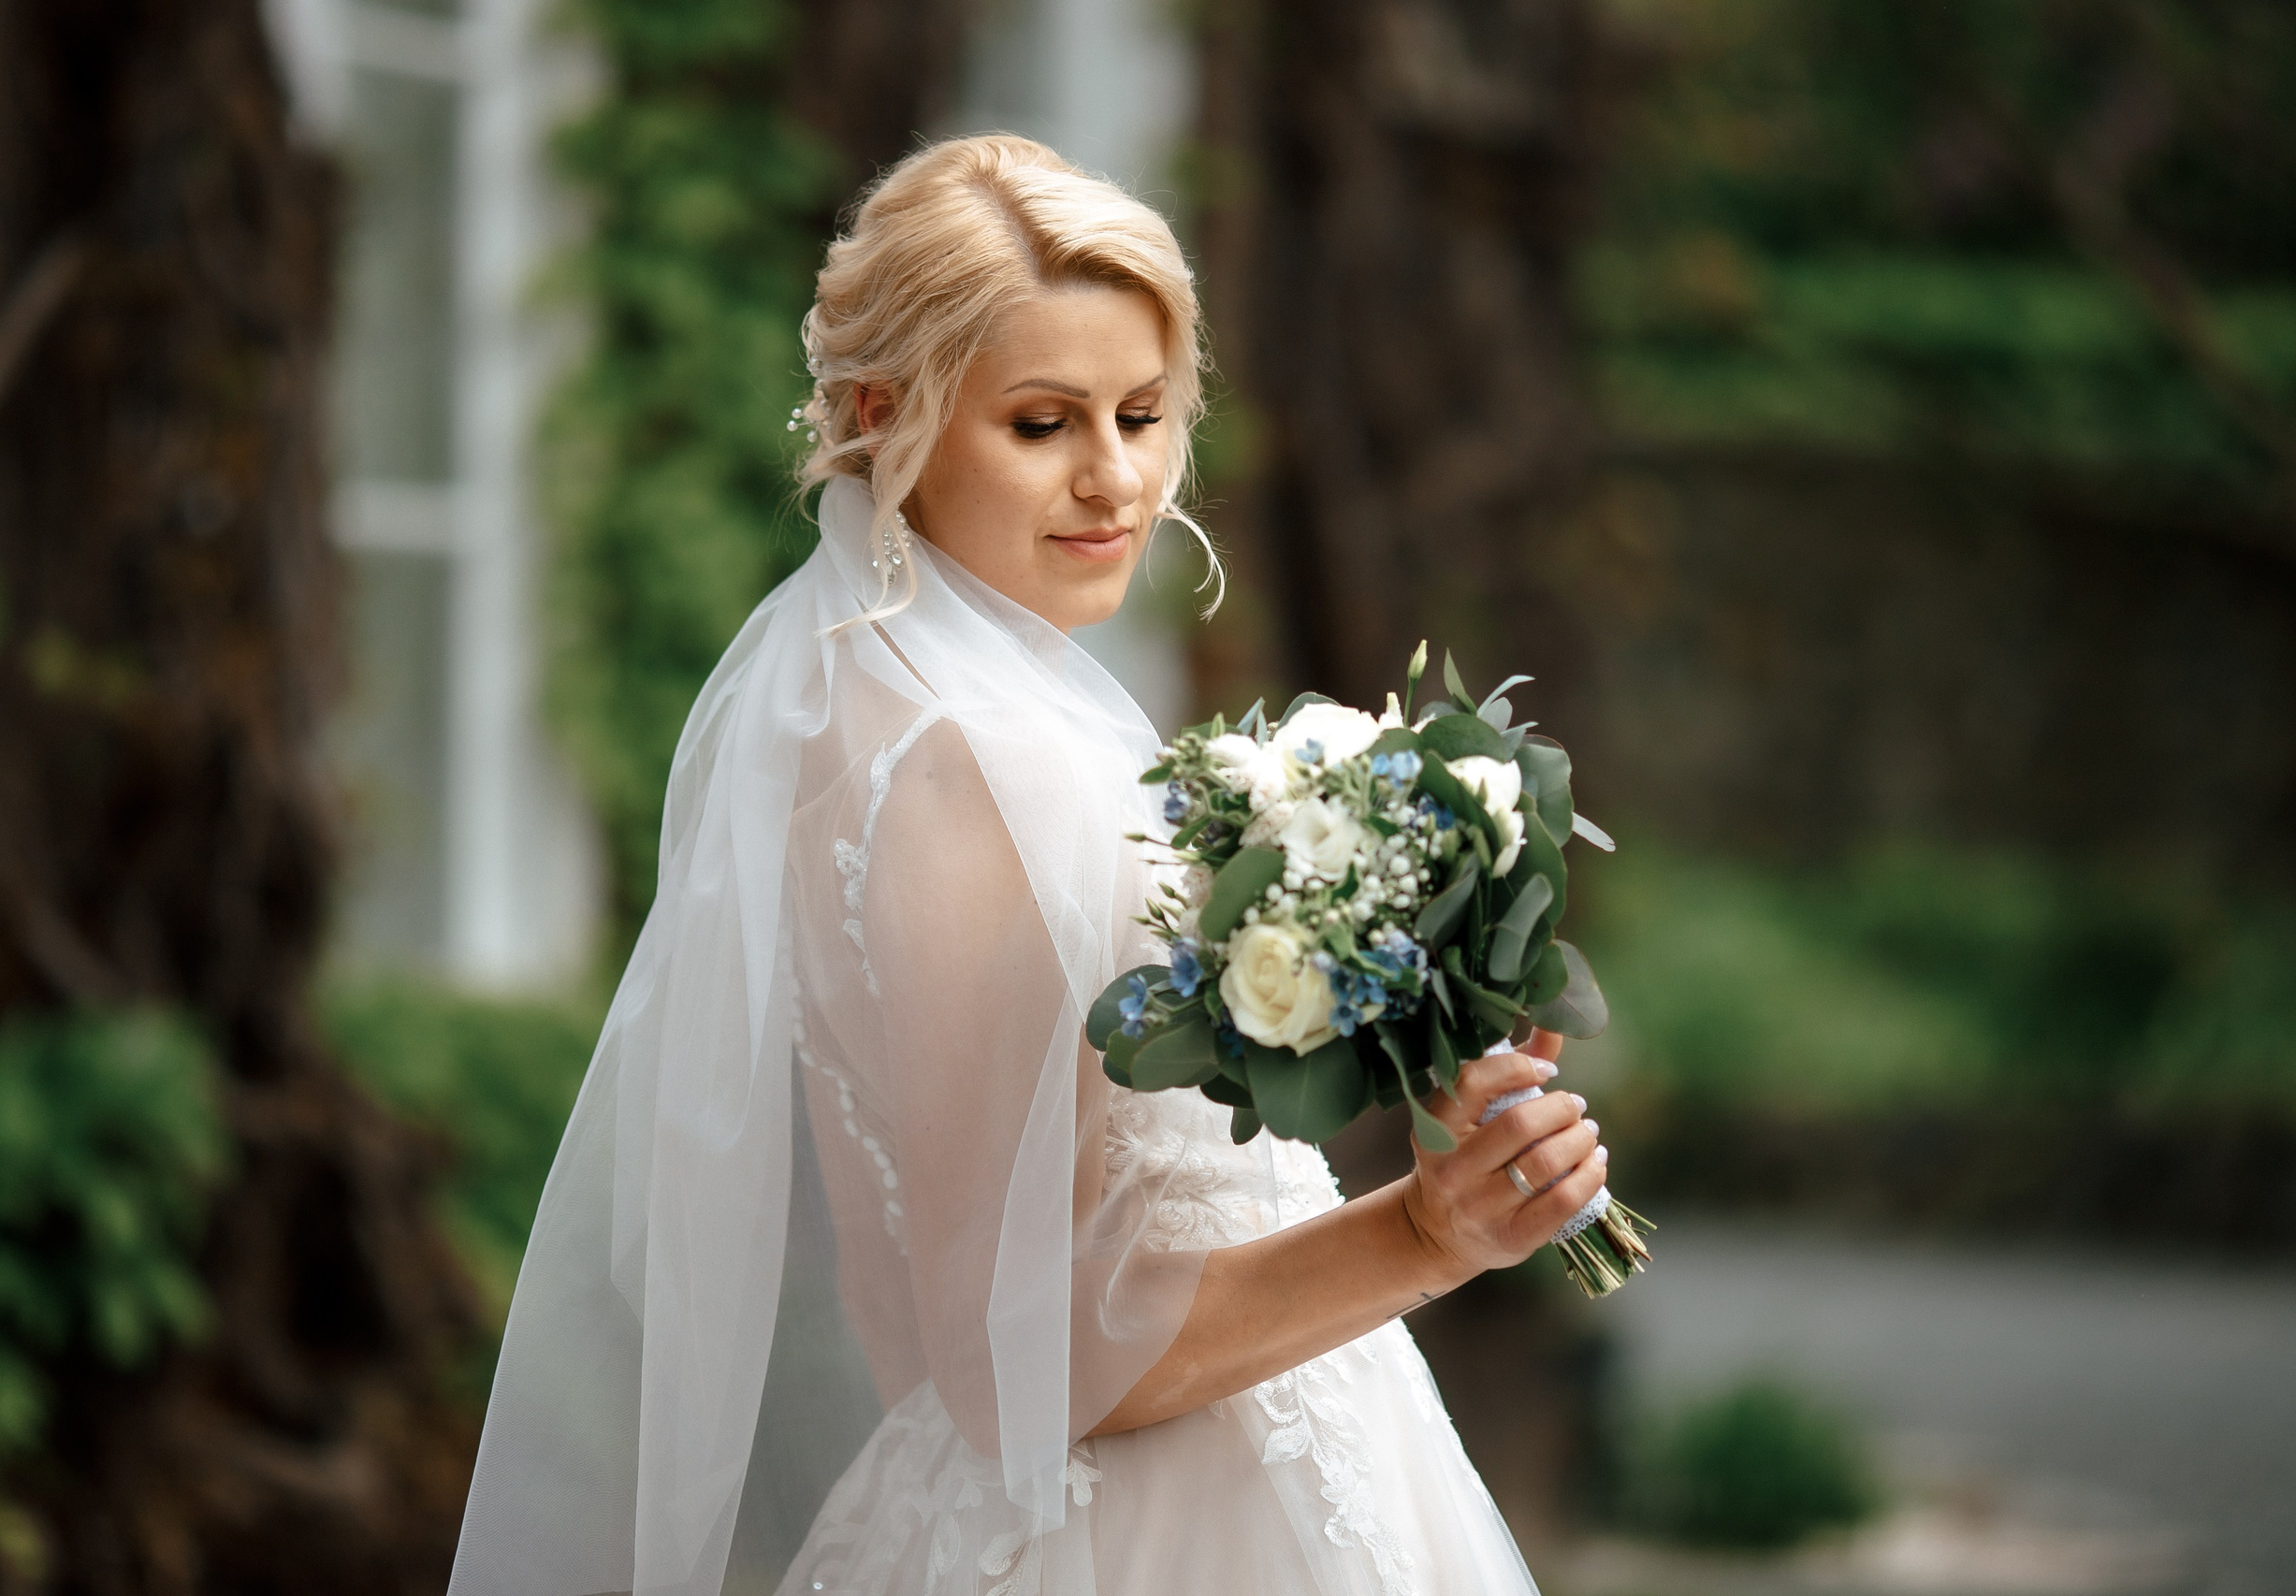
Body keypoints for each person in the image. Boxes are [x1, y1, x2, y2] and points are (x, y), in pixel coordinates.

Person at [447, 133, 1607, 1596]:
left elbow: (945, 1283)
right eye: (1043, 422)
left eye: (1141, 411)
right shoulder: (962, 770)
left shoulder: (881, 714)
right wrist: (1429, 1232)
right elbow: (1028, 1362)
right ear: (885, 416)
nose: (1114, 477)